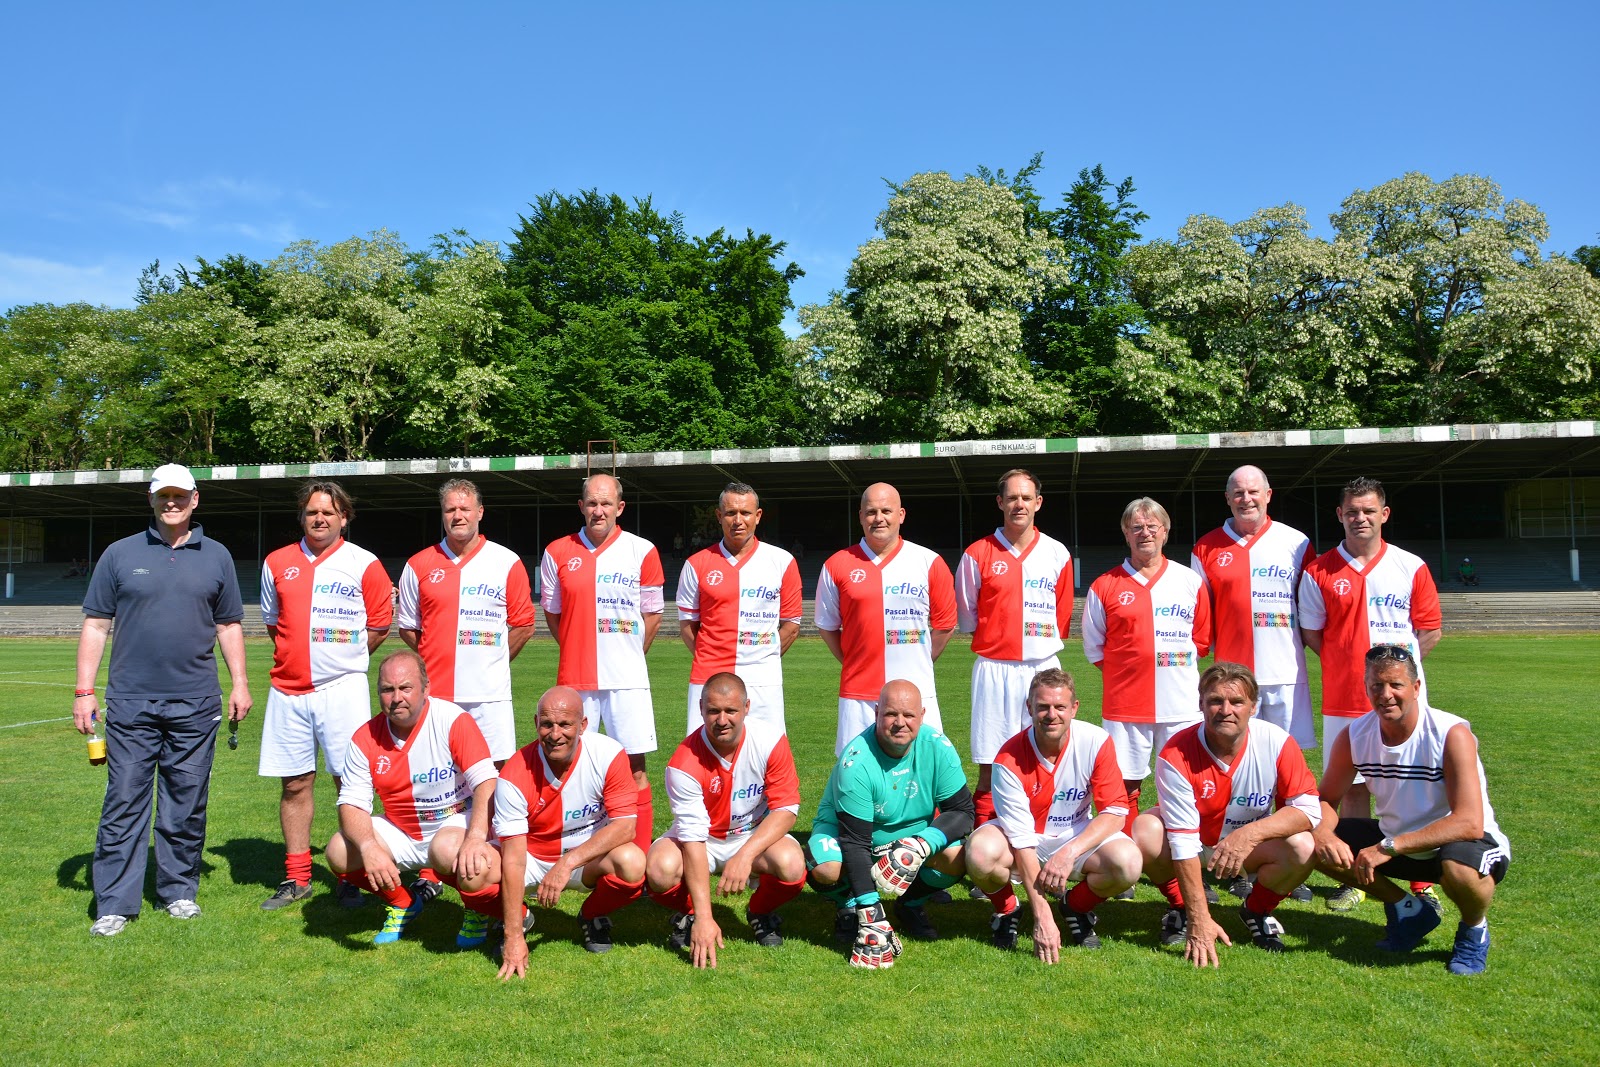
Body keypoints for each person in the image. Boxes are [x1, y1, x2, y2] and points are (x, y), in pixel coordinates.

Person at [73, 463, 252, 937]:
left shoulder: (217, 556)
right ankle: (115, 904)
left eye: (180, 495)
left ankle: (178, 891)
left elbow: (228, 624)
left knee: (185, 803)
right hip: (131, 702)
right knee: (124, 801)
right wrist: (84, 691)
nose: (171, 503)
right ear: (150, 500)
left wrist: (239, 682)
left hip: (196, 702)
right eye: (163, 495)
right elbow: (96, 624)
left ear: (195, 499)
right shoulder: (119, 553)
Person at [1311, 644, 1510, 975]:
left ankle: (1474, 929)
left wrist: (1387, 847)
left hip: (1459, 842)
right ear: (1366, 688)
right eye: (1376, 685)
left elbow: (1469, 823)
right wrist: (1322, 833)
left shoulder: (1451, 734)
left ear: (1416, 688)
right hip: (1396, 841)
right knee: (1307, 843)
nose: (1385, 694)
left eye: (1396, 685)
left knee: (1460, 869)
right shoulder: (1355, 735)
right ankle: (1408, 910)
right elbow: (1326, 798)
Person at [1298, 476, 1442, 910]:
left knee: (1413, 784)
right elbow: (1313, 633)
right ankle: (1360, 877)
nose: (1360, 518)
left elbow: (1429, 630)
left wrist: (1396, 681)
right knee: (1352, 789)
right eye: (1352, 511)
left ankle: (1421, 880)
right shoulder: (1319, 571)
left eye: (1368, 510)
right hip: (1344, 697)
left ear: (1384, 514)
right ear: (1339, 515)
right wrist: (1349, 666)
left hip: (1404, 702)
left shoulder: (1410, 565)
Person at [397, 477, 536, 905]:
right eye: (450, 510)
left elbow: (523, 624)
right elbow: (409, 628)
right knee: (440, 781)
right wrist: (438, 664)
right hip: (438, 698)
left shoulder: (506, 561)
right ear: (443, 515)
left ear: (480, 512)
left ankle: (494, 860)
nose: (457, 516)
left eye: (464, 508)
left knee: (494, 778)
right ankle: (433, 869)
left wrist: (490, 663)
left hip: (489, 696)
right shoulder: (419, 564)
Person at [257, 481, 393, 911]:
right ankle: (297, 877)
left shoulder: (364, 563)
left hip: (342, 689)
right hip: (288, 691)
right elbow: (274, 624)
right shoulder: (277, 562)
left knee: (349, 785)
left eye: (329, 512)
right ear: (302, 516)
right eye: (312, 512)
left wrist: (341, 662)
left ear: (344, 518)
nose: (320, 519)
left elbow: (379, 625)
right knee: (295, 783)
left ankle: (352, 874)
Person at [1132, 662, 1320, 967]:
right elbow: (1182, 841)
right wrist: (1199, 917)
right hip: (1196, 845)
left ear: (1254, 707)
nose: (1225, 710)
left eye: (1237, 701)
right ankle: (1182, 908)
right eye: (1215, 701)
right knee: (1146, 830)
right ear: (1201, 704)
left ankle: (1256, 910)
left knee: (1303, 845)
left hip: (1248, 848)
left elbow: (1309, 809)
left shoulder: (1277, 741)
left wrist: (1249, 834)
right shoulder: (1176, 752)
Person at [1189, 464, 1315, 901]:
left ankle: (1282, 860)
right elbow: (1199, 615)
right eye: (1238, 493)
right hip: (1232, 684)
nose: (1246, 499)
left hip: (1285, 676)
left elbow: (1311, 608)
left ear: (1268, 494)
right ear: (1228, 499)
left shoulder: (1297, 543)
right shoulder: (1206, 547)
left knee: (1285, 773)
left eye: (1253, 491)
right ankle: (1231, 860)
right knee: (1232, 768)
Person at [325, 650, 502, 947]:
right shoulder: (364, 738)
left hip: (455, 824)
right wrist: (368, 846)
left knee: (446, 849)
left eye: (405, 688)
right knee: (339, 850)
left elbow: (487, 782)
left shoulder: (452, 720)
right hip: (403, 830)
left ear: (426, 688)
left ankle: (478, 909)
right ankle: (403, 903)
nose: (397, 698)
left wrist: (475, 837)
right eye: (387, 689)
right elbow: (351, 803)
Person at [964, 668, 1139, 960]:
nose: (1051, 715)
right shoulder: (1008, 758)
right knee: (980, 853)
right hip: (1024, 840)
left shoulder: (1096, 741)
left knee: (1128, 863)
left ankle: (1075, 907)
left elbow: (1115, 812)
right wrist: (1042, 915)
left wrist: (1069, 853)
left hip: (1074, 836)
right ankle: (1008, 910)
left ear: (1074, 708)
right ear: (1029, 707)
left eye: (1060, 706)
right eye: (1043, 706)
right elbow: (1022, 841)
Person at [477, 686, 647, 972]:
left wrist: (567, 863)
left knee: (632, 862)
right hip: (532, 858)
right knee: (473, 872)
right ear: (536, 724)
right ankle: (518, 918)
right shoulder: (514, 774)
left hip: (585, 859)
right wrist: (513, 936)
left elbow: (625, 827)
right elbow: (514, 859)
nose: (555, 734)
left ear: (583, 725)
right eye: (547, 724)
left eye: (565, 724)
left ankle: (591, 915)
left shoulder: (607, 754)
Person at [806, 679, 975, 969]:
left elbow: (962, 811)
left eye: (908, 715)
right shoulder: (857, 762)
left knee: (958, 856)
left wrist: (920, 845)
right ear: (876, 713)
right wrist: (870, 913)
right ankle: (849, 903)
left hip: (910, 840)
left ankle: (909, 904)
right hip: (849, 836)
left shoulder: (937, 746)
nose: (900, 723)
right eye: (890, 714)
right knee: (826, 868)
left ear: (922, 715)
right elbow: (855, 842)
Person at [540, 473, 664, 855]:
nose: (599, 510)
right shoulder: (556, 552)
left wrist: (628, 655)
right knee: (572, 765)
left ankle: (638, 858)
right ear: (581, 507)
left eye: (606, 503)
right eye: (592, 503)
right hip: (576, 679)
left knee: (634, 768)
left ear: (619, 507)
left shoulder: (642, 551)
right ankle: (574, 852)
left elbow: (652, 615)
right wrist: (577, 646)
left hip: (627, 679)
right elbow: (554, 615)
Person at [645, 673, 806, 967]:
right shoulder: (683, 763)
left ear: (746, 707)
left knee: (792, 864)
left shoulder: (770, 740)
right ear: (700, 709)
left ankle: (759, 911)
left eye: (730, 710)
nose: (722, 720)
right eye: (713, 711)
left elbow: (785, 808)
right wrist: (704, 918)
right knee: (660, 869)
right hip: (704, 840)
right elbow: (693, 838)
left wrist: (745, 855)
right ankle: (691, 915)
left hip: (751, 834)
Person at [1082, 497, 1212, 840]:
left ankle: (1185, 850)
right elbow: (1095, 647)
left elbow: (1200, 641)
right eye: (1136, 527)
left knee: (1186, 782)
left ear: (1165, 531)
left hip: (1180, 703)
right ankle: (1125, 854)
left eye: (1152, 526)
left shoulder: (1189, 581)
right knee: (1123, 785)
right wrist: (1132, 673)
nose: (1145, 533)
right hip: (1125, 706)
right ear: (1126, 533)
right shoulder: (1104, 585)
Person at [956, 469, 1074, 829]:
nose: (1018, 504)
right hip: (994, 667)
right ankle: (984, 838)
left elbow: (1062, 614)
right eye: (1011, 498)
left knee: (1047, 756)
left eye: (1026, 497)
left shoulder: (1057, 553)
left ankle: (1045, 833)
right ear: (1000, 502)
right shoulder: (977, 554)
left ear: (1038, 502)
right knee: (990, 762)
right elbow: (968, 616)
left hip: (1043, 668)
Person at [815, 483, 957, 755]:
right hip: (858, 695)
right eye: (871, 512)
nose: (878, 518)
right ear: (860, 517)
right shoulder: (836, 564)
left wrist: (919, 660)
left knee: (922, 768)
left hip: (917, 691)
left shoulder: (929, 562)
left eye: (886, 511)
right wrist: (854, 660)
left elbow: (945, 625)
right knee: (855, 770)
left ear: (901, 515)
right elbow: (827, 627)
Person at [676, 482, 803, 735]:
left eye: (745, 513)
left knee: (767, 748)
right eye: (730, 513)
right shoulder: (696, 564)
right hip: (709, 676)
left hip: (763, 678)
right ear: (719, 515)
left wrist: (762, 657)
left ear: (758, 516)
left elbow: (791, 625)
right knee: (705, 750)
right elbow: (688, 626)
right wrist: (711, 656)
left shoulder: (782, 561)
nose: (738, 520)